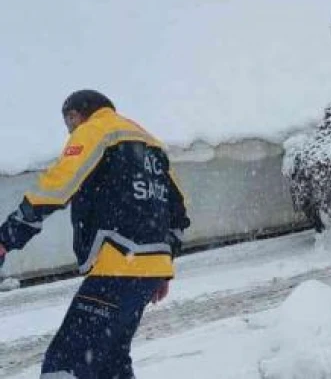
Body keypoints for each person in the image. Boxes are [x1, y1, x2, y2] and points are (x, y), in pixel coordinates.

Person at [0, 90, 190, 378]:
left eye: (69, 123)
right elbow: (179, 212)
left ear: (78, 113)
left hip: (118, 263)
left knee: (65, 364)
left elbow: (56, 187)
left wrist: (6, 237)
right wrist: (162, 265)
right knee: (111, 362)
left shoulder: (96, 131)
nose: (70, 132)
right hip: (146, 270)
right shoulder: (151, 143)